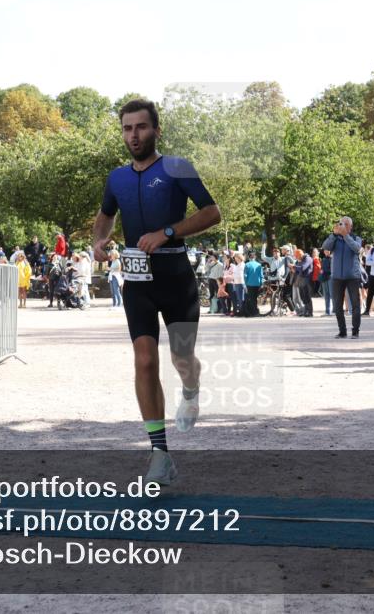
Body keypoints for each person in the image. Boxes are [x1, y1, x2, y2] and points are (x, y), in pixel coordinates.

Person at [91, 98, 221, 485]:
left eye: (141, 127)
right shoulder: (116, 178)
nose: (134, 135)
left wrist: (167, 233)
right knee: (145, 360)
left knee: (182, 358)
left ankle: (191, 388)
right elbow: (106, 216)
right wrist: (99, 241)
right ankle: (160, 453)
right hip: (138, 282)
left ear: (156, 130)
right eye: (128, 128)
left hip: (176, 277)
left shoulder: (176, 167)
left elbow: (212, 212)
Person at [323, 216, 363, 338]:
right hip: (337, 277)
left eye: (345, 224)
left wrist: (346, 236)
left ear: (350, 226)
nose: (342, 226)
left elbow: (357, 249)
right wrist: (333, 235)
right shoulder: (335, 239)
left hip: (352, 276)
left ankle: (355, 331)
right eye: (341, 224)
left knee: (355, 304)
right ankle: (342, 331)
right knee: (337, 306)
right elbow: (326, 247)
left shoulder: (356, 238)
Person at [293, 248, 314, 317]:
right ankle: (306, 310)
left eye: (297, 256)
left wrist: (294, 266)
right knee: (302, 296)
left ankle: (310, 312)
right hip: (301, 279)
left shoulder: (308, 259)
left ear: (300, 255)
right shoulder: (300, 260)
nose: (296, 258)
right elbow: (298, 270)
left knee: (307, 295)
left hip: (307, 279)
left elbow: (303, 268)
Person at [243, 251, 264, 317]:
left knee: (251, 298)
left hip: (249, 284)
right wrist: (261, 284)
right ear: (255, 257)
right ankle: (255, 311)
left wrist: (245, 284)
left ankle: (253, 312)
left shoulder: (247, 265)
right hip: (257, 284)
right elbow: (261, 275)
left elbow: (245, 276)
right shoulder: (259, 265)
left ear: (249, 257)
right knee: (255, 298)